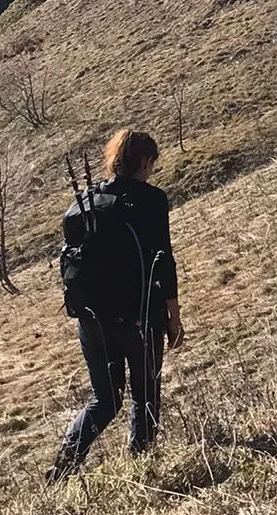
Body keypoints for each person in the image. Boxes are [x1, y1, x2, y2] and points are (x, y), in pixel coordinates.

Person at [49, 128, 184, 479]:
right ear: (144, 161)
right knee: (145, 396)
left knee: (105, 401)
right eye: (152, 161)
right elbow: (163, 259)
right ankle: (141, 469)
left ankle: (63, 466)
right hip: (140, 316)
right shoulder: (151, 201)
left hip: (92, 321)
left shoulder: (84, 204)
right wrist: (173, 315)